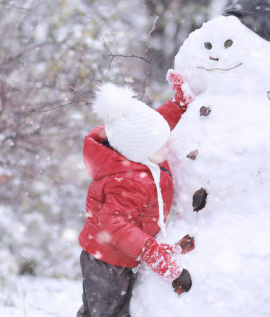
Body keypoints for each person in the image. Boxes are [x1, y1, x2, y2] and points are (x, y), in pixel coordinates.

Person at [77, 72, 196, 317]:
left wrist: (179, 105)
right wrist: (156, 257)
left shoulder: (135, 150)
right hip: (107, 263)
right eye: (163, 144)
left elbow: (154, 127)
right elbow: (114, 224)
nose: (169, 145)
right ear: (142, 152)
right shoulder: (129, 182)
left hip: (116, 257)